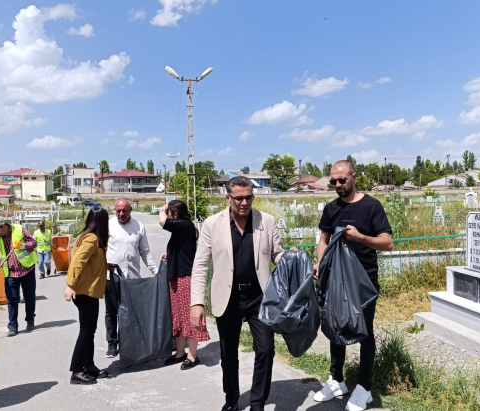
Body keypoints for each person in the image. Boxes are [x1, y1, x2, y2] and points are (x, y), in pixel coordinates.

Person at [191, 176, 294, 411]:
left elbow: (277, 254)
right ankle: (232, 400)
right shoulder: (211, 225)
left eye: (248, 197)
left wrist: (289, 258)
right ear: (228, 198)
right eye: (239, 198)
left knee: (266, 349)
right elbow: (200, 266)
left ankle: (257, 403)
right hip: (228, 298)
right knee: (228, 354)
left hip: (261, 298)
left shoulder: (266, 221)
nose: (244, 202)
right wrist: (196, 303)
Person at [312, 160, 393, 411]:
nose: (337, 185)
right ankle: (337, 380)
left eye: (342, 180)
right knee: (336, 327)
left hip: (364, 283)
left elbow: (387, 243)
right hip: (336, 281)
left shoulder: (372, 206)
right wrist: (320, 263)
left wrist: (360, 237)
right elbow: (323, 240)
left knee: (364, 332)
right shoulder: (331, 208)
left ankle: (364, 388)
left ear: (354, 177)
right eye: (333, 181)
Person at [104, 198, 158, 358]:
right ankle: (112, 344)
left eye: (124, 211)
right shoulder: (108, 225)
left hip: (133, 279)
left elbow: (145, 252)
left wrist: (156, 271)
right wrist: (103, 264)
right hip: (111, 278)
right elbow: (100, 248)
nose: (121, 214)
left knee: (132, 312)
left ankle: (130, 343)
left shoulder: (139, 227)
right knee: (111, 312)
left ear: (130, 210)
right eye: (118, 211)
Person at [159, 200, 210, 370]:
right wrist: (170, 253)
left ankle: (193, 355)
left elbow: (162, 222)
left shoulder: (185, 225)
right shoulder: (182, 228)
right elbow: (182, 248)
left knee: (190, 318)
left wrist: (163, 208)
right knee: (179, 317)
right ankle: (180, 352)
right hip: (177, 277)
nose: (167, 215)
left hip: (186, 278)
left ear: (176, 214)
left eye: (169, 213)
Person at [65, 206, 111, 385]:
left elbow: (91, 262)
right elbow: (77, 262)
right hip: (84, 291)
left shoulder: (85, 235)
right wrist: (70, 284)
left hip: (87, 290)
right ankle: (76, 371)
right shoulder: (91, 239)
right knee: (86, 332)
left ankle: (89, 366)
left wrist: (107, 266)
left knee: (89, 331)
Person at [0, 216, 38, 337]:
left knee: (29, 297)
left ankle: (30, 319)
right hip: (10, 274)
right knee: (12, 299)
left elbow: (33, 243)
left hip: (27, 269)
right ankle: (13, 326)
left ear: (4, 226)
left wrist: (23, 246)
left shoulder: (20, 230)